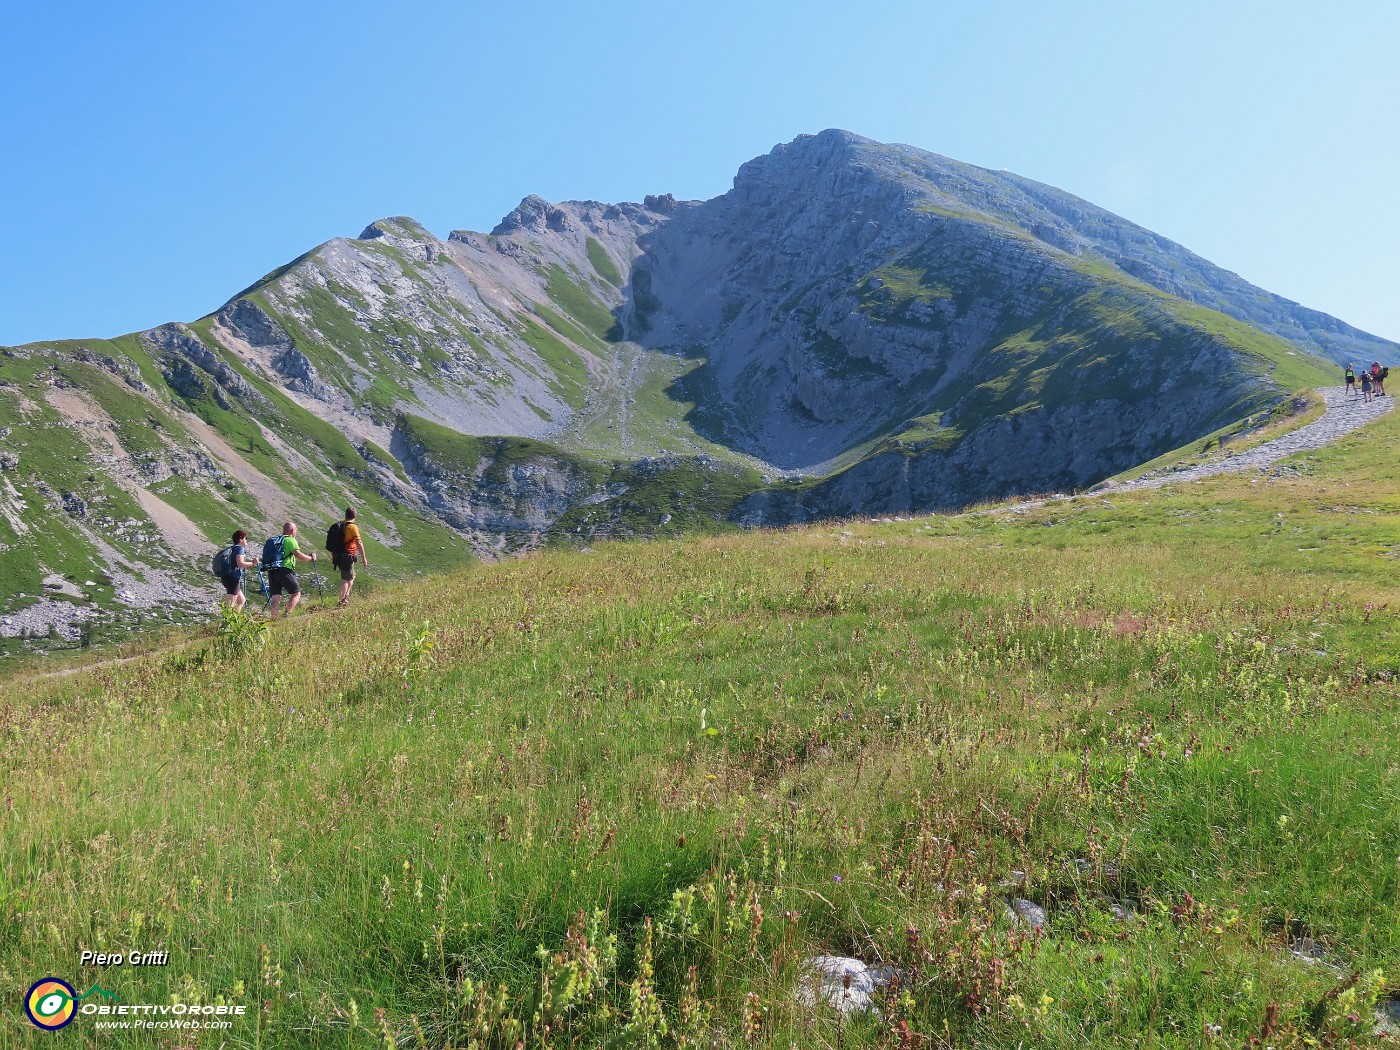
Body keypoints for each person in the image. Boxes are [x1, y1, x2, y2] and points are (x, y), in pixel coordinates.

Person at [266, 521, 317, 619]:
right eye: (296, 530)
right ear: (292, 530)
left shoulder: (276, 540)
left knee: (275, 597)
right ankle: (286, 614)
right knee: (296, 593)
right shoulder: (290, 540)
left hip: (272, 569)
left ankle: (274, 619)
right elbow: (298, 554)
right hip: (285, 569)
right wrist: (311, 559)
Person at [335, 506, 369, 608]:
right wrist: (363, 557)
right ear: (355, 516)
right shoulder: (352, 527)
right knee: (345, 579)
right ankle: (342, 601)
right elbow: (358, 542)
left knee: (352, 576)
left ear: (345, 514)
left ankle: (346, 597)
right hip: (347, 555)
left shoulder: (339, 525)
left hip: (338, 554)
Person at [220, 529, 259, 611]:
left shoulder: (232, 549)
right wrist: (253, 563)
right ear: (241, 539)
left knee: (241, 600)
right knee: (230, 604)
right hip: (233, 578)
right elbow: (240, 563)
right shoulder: (240, 549)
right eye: (246, 538)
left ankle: (235, 619)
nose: (247, 540)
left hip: (227, 576)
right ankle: (229, 621)